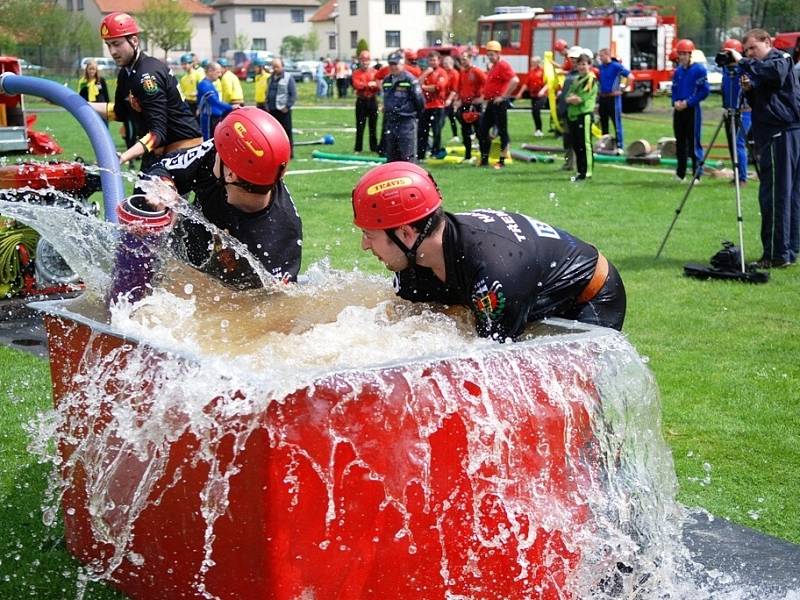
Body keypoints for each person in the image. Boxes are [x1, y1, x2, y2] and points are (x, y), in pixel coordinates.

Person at [352, 162, 626, 339]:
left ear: (405, 233)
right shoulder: (414, 258)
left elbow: (491, 359)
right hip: (524, 279)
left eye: (369, 235)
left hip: (590, 295)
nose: (364, 245)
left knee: (570, 399)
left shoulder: (496, 273)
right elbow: (405, 325)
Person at [142, 108, 302, 286]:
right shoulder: (221, 158)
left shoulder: (280, 239)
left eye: (220, 151)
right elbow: (163, 166)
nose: (215, 149)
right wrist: (166, 187)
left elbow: (274, 306)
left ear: (231, 175)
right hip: (186, 256)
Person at [89, 12, 201, 167]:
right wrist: (76, 103)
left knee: (146, 191)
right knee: (140, 190)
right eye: (109, 45)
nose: (113, 52)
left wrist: (122, 157)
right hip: (157, 148)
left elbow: (158, 133)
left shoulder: (147, 75)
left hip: (182, 148)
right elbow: (119, 112)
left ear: (134, 40)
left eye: (117, 44)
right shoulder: (126, 73)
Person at [730, 29, 800, 268]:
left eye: (753, 48)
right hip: (784, 132)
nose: (750, 54)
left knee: (775, 194)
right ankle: (788, 250)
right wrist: (750, 90)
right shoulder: (765, 67)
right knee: (790, 193)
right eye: (746, 51)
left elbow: (776, 74)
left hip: (780, 134)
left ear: (767, 42)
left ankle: (775, 253)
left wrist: (744, 62)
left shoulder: (780, 59)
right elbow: (766, 100)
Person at [671, 38, 709, 182]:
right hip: (679, 110)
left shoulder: (699, 70)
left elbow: (704, 91)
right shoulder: (678, 71)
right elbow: (674, 89)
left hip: (692, 110)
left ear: (690, 54)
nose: (681, 57)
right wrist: (675, 102)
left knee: (694, 142)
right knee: (680, 142)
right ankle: (680, 173)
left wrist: (688, 102)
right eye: (680, 54)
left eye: (684, 54)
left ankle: (697, 174)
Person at [478, 41, 519, 169]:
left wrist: (503, 96)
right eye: (488, 55)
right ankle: (484, 159)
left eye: (492, 54)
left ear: (498, 53)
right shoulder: (494, 66)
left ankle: (502, 161)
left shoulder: (503, 65)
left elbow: (515, 80)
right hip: (491, 102)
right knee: (482, 130)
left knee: (502, 131)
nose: (490, 57)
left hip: (499, 103)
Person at [380, 52, 425, 162]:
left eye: (396, 64)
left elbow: (419, 100)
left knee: (407, 154)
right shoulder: (387, 80)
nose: (393, 67)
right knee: (391, 155)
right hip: (391, 121)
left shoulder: (410, 79)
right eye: (391, 64)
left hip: (406, 121)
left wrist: (413, 114)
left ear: (402, 64)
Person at [719, 38, 751, 186]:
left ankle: (743, 178)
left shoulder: (743, 70)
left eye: (729, 53)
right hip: (729, 110)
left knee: (738, 143)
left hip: (744, 111)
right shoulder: (726, 70)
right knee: (732, 144)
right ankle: (737, 174)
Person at [566, 53, 598, 182]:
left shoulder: (590, 79)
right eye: (579, 64)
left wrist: (572, 98)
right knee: (576, 144)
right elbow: (568, 96)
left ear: (589, 65)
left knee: (585, 144)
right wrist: (571, 98)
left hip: (584, 114)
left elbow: (580, 99)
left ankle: (587, 172)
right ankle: (580, 171)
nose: (581, 67)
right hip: (573, 115)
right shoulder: (577, 79)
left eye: (584, 64)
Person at [597, 48, 632, 152]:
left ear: (607, 55)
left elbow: (630, 76)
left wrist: (623, 89)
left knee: (616, 122)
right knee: (603, 122)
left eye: (602, 56)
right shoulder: (601, 67)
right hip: (603, 97)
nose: (600, 58)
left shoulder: (616, 66)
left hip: (613, 98)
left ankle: (620, 145)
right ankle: (604, 144)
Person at [454, 50, 486, 163]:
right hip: (465, 104)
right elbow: (460, 87)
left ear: (470, 59)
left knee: (479, 130)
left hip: (475, 104)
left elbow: (486, 83)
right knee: (465, 131)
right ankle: (468, 155)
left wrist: (481, 98)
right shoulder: (462, 72)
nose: (463, 61)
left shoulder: (476, 71)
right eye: (462, 59)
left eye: (465, 59)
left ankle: (483, 156)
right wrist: (458, 99)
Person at [417, 51, 449, 160]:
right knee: (422, 130)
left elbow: (438, 87)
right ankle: (421, 154)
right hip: (426, 106)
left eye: (434, 60)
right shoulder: (426, 72)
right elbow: (418, 83)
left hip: (438, 106)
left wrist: (424, 87)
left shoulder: (442, 72)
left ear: (438, 61)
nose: (432, 62)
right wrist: (425, 74)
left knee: (437, 130)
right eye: (430, 60)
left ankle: (436, 152)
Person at [266, 57, 297, 158]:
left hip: (283, 110)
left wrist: (287, 106)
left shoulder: (288, 78)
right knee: (273, 133)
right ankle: (275, 152)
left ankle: (289, 153)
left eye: (277, 67)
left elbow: (293, 94)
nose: (275, 69)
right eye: (274, 67)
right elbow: (267, 92)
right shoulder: (270, 78)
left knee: (287, 132)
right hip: (272, 109)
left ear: (282, 67)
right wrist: (267, 105)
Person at [351, 50, 379, 153]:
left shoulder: (374, 72)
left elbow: (377, 86)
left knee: (373, 126)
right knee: (360, 125)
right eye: (363, 60)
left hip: (372, 100)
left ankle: (374, 147)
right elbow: (356, 85)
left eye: (366, 60)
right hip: (361, 100)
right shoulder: (356, 73)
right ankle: (358, 147)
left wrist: (368, 85)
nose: (365, 63)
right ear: (359, 61)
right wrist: (368, 85)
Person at [196, 62, 233, 140]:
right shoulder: (204, 84)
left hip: (213, 117)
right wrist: (231, 107)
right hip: (208, 117)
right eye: (218, 72)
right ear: (210, 71)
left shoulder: (209, 84)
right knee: (209, 141)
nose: (220, 75)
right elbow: (214, 102)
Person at [515, 55, 546, 137]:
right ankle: (538, 129)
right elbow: (526, 84)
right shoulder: (531, 72)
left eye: (533, 62)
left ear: (538, 63)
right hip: (533, 95)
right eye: (531, 62)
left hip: (542, 95)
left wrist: (543, 91)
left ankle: (539, 129)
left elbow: (548, 83)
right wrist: (520, 93)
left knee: (536, 110)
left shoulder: (543, 71)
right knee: (534, 112)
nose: (531, 63)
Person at [441, 55, 460, 142]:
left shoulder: (454, 73)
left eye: (446, 63)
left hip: (451, 99)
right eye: (444, 63)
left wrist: (449, 99)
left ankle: (438, 132)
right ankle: (455, 135)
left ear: (451, 63)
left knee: (445, 117)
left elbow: (454, 89)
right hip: (444, 98)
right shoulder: (444, 72)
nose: (445, 65)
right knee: (452, 117)